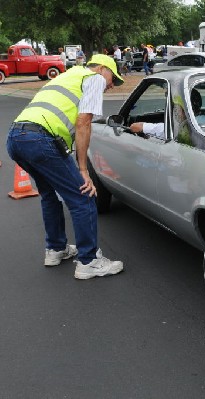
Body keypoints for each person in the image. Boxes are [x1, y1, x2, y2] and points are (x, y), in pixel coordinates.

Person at [6, 54, 125, 280]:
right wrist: (83, 170)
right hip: (40, 140)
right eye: (113, 78)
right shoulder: (94, 79)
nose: (112, 85)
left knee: (49, 194)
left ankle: (55, 249)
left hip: (16, 138)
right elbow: (83, 122)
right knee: (84, 197)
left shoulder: (68, 75)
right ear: (101, 69)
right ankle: (88, 261)